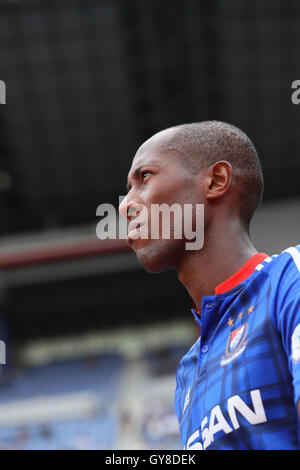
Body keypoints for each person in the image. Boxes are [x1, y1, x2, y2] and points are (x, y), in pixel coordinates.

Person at [119, 121, 300, 450]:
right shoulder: (188, 372)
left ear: (216, 181)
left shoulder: (290, 279)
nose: (125, 205)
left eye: (144, 177)